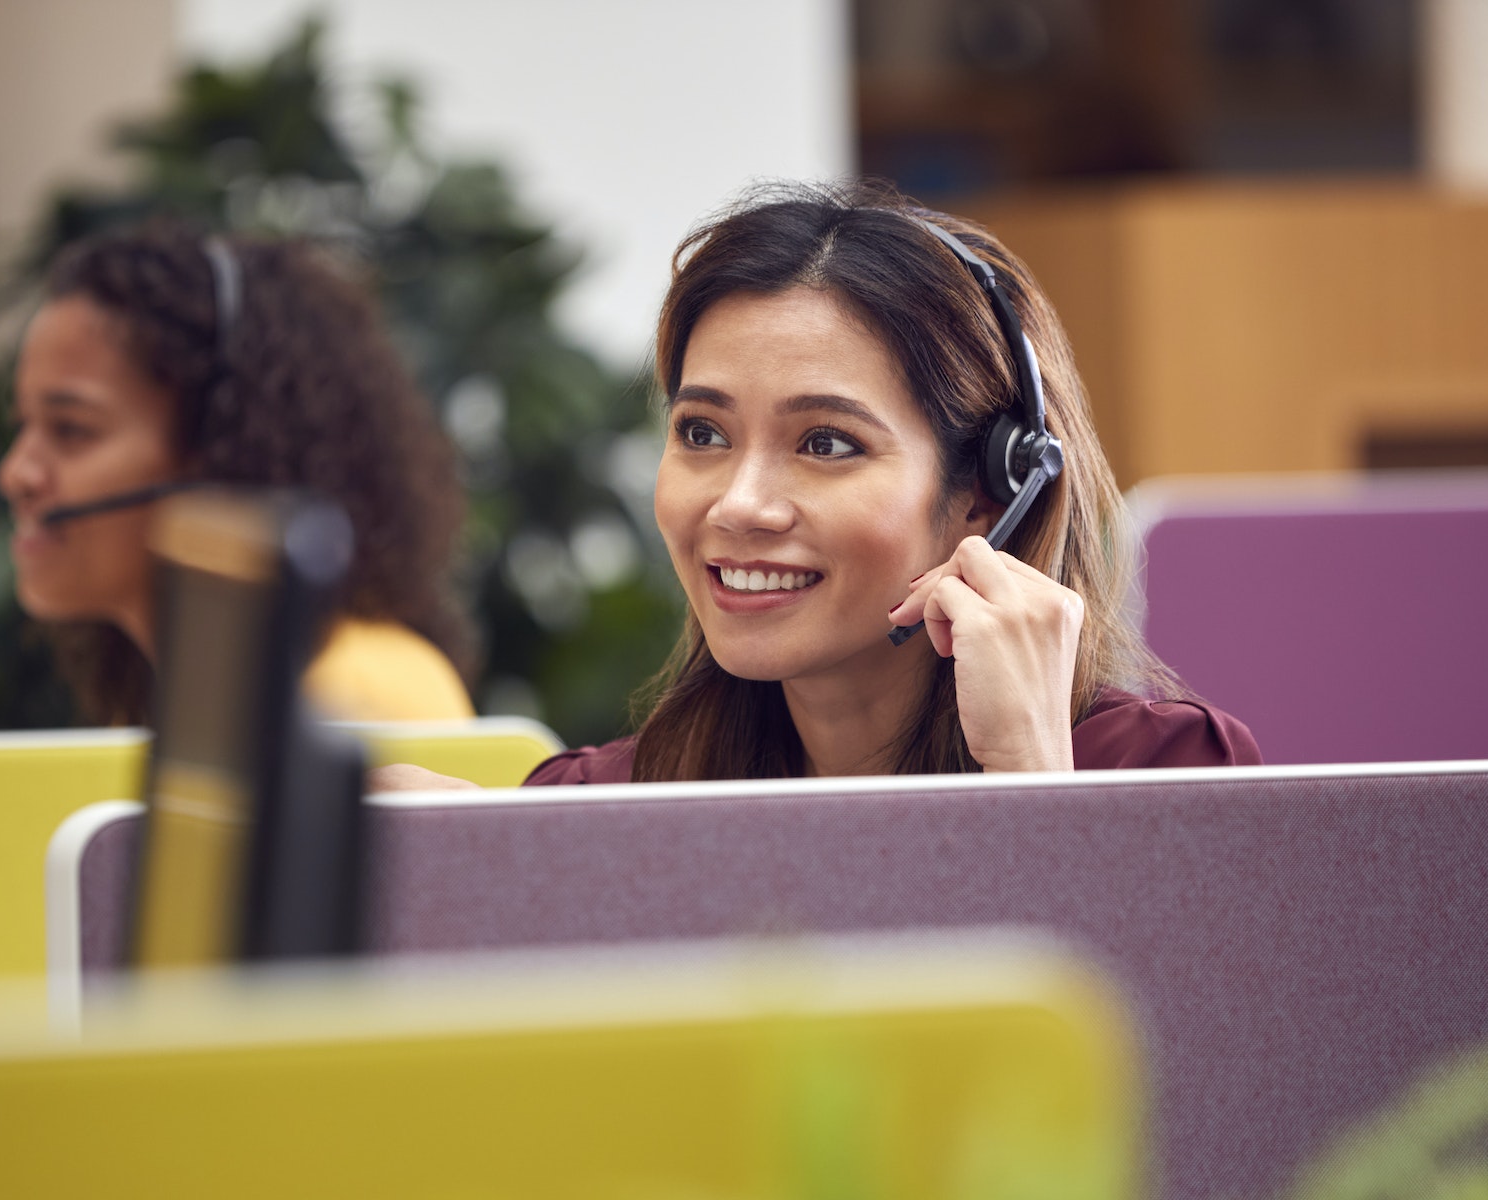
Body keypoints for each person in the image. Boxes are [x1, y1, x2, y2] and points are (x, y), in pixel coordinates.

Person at [375, 180, 1257, 792]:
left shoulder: (1166, 773)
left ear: (989, 493)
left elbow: (1154, 1060)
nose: (739, 504)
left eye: (826, 442)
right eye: (703, 433)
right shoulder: (627, 804)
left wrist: (1027, 774)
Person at [0, 222, 475, 726]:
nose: (14, 475)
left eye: (71, 430)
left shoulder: (347, 701)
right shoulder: (196, 710)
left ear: (219, 455)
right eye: (22, 425)